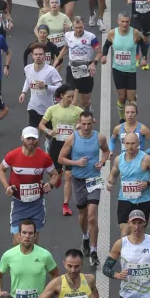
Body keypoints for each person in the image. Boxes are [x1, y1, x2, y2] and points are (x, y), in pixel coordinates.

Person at [59, 111, 111, 266]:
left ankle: (94, 251)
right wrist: (76, 163)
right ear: (79, 123)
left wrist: (102, 162)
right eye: (84, 124)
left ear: (93, 123)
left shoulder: (99, 137)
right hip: (78, 180)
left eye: (89, 124)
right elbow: (60, 157)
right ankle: (85, 237)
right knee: (82, 215)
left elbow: (107, 151)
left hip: (94, 179)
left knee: (92, 216)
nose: (86, 127)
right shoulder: (73, 138)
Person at [0, 127, 62, 241]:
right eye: (28, 139)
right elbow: (1, 169)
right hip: (19, 203)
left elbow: (55, 175)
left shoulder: (44, 157)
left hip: (36, 203)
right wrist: (6, 186)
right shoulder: (13, 155)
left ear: (37, 140)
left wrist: (50, 185)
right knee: (18, 242)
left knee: (33, 241)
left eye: (33, 139)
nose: (31, 141)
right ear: (22, 138)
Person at [38, 84, 84, 217]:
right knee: (55, 175)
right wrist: (49, 131)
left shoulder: (77, 111)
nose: (71, 99)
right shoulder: (52, 109)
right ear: (61, 96)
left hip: (71, 146)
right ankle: (57, 176)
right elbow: (41, 124)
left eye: (72, 97)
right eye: (68, 96)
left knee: (69, 175)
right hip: (57, 144)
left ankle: (65, 204)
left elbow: (90, 120)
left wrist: (80, 125)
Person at [108, 132, 150, 236]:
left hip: (142, 200)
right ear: (123, 143)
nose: (130, 146)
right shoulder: (118, 159)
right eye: (128, 143)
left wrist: (148, 183)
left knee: (138, 232)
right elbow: (113, 173)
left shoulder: (145, 158)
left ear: (138, 143)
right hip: (124, 199)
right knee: (125, 231)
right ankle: (125, 252)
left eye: (133, 143)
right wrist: (110, 182)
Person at [102, 13, 146, 115]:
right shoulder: (113, 33)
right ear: (118, 22)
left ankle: (131, 118)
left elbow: (143, 44)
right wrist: (104, 56)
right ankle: (122, 118)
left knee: (131, 99)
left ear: (130, 22)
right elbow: (106, 45)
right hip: (117, 69)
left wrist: (144, 57)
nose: (125, 24)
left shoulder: (135, 33)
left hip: (130, 69)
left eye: (127, 21)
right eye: (122, 21)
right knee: (122, 98)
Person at [60, 17, 102, 111]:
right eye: (76, 27)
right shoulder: (68, 35)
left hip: (86, 70)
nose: (78, 30)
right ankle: (76, 120)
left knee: (84, 101)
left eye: (80, 27)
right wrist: (57, 61)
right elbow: (66, 47)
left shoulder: (91, 37)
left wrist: (93, 63)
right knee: (73, 100)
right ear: (73, 27)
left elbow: (99, 52)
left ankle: (87, 108)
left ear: (84, 26)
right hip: (72, 69)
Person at [20, 43, 64, 131]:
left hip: (48, 108)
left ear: (45, 56)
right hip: (33, 106)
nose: (38, 56)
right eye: (36, 54)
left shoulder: (51, 70)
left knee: (47, 132)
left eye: (40, 54)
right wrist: (23, 92)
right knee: (34, 131)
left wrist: (45, 86)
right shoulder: (28, 68)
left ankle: (47, 141)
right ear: (32, 55)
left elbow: (60, 88)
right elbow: (28, 80)